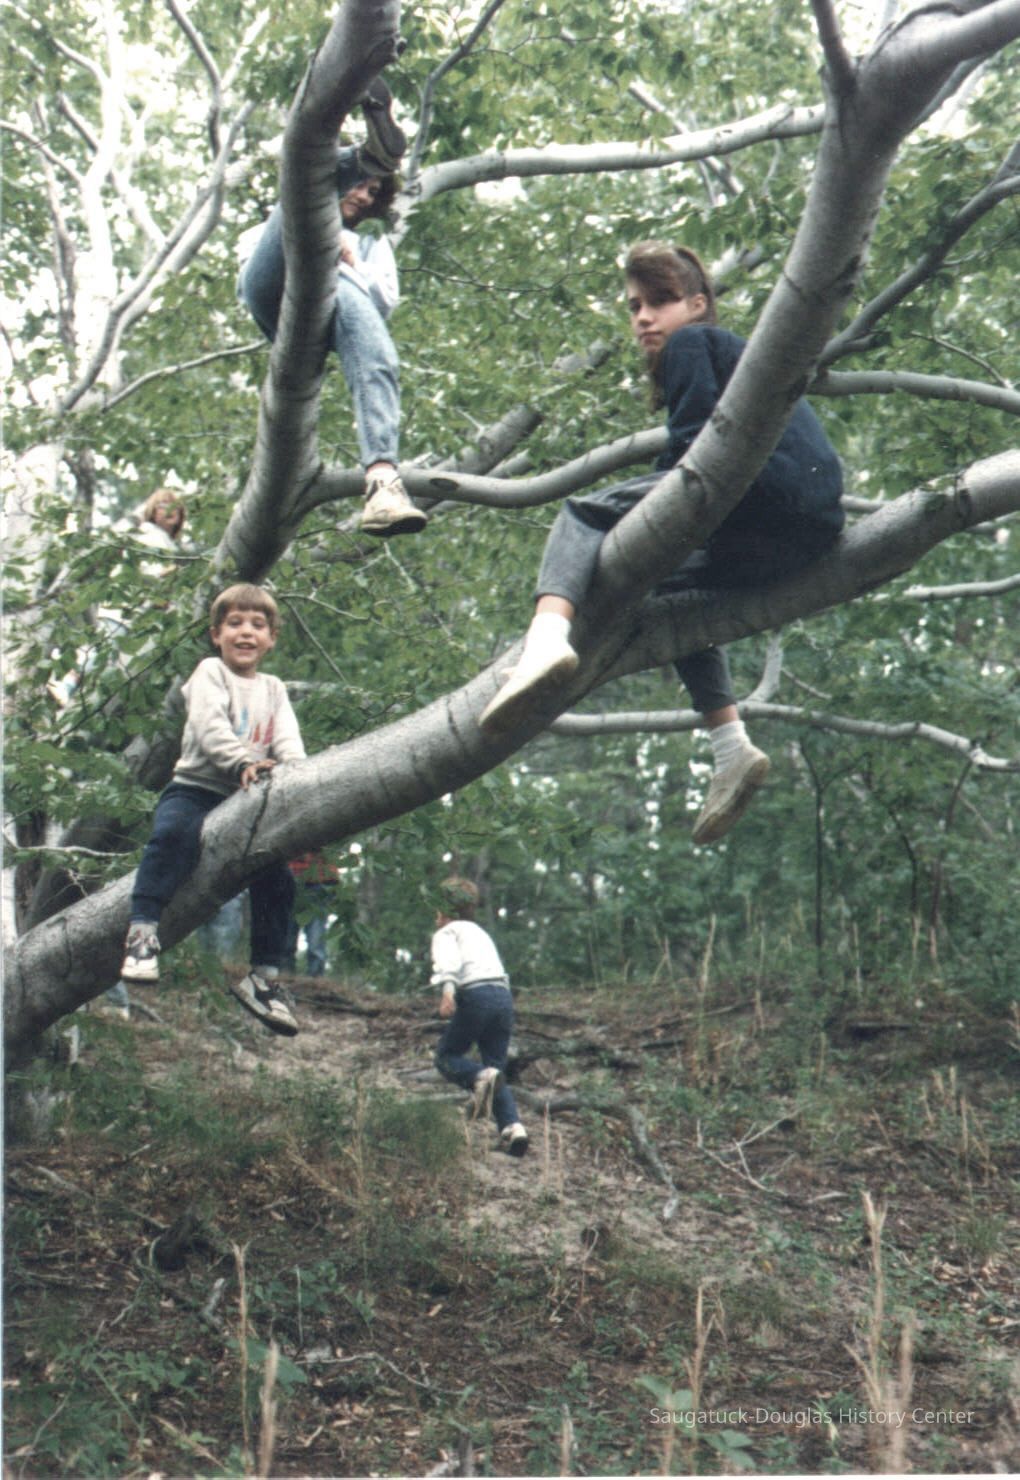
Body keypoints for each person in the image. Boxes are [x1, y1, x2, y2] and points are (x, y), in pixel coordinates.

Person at [479, 241, 845, 845]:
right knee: (659, 599)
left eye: (661, 301)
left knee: (584, 511)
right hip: (789, 533)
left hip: (767, 492)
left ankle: (544, 641)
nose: (644, 318)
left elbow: (696, 441)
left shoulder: (692, 342)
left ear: (698, 305)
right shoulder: (707, 350)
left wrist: (647, 506)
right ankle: (730, 745)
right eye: (634, 307)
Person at [238, 78, 426, 539]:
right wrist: (324, 239)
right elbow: (250, 277)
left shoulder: (372, 245)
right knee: (299, 193)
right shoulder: (273, 221)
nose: (363, 196)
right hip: (275, 295)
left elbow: (380, 303)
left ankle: (383, 481)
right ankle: (364, 155)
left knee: (379, 354)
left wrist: (347, 257)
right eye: (360, 185)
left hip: (338, 313)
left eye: (372, 189)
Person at [119, 584, 306, 1036]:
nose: (246, 633)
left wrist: (300, 777)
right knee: (170, 838)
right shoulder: (209, 673)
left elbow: (286, 739)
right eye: (235, 624)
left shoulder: (274, 688)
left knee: (278, 879)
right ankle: (142, 935)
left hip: (249, 800)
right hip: (198, 787)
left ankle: (264, 977)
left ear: (272, 638)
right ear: (216, 634)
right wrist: (243, 760)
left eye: (257, 625)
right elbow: (208, 727)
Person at [431, 877, 528, 1157]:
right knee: (495, 1069)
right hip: (503, 998)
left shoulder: (447, 932)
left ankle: (479, 1076)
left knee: (446, 1057)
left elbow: (449, 964)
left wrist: (448, 992)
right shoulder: (480, 932)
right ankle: (512, 1128)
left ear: (443, 910)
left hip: (476, 995)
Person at [283, 852, 339, 977]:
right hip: (292, 878)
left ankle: (315, 980)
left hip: (321, 880)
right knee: (287, 935)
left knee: (316, 935)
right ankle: (284, 977)